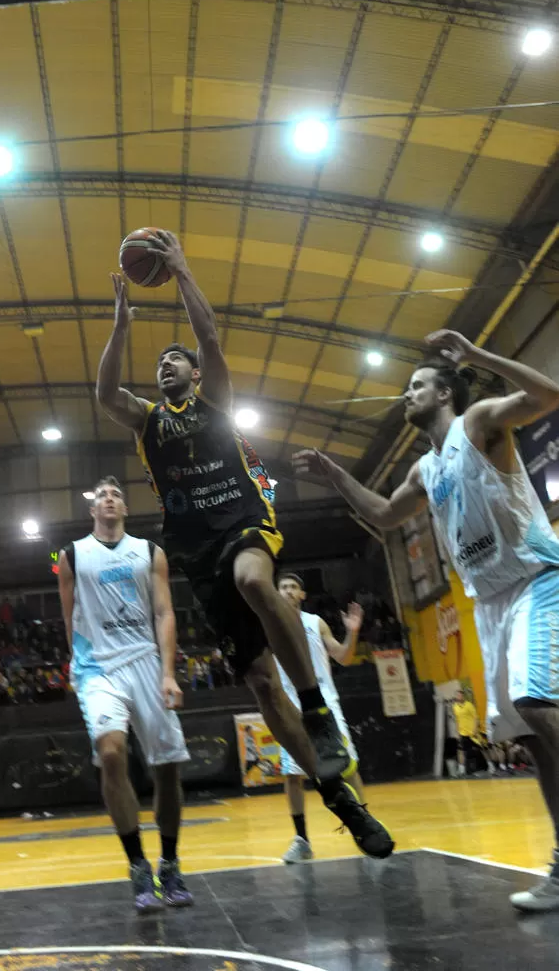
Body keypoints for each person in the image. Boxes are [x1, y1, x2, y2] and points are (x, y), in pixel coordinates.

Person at [96, 231, 392, 857]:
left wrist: (180, 271)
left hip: (241, 519)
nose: (165, 366)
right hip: (195, 549)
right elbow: (103, 396)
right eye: (160, 364)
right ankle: (341, 800)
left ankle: (316, 708)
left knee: (257, 580)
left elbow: (209, 337)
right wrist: (122, 324)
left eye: (173, 362)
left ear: (195, 374)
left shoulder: (213, 402)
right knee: (259, 684)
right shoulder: (150, 421)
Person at [293, 328, 559, 910]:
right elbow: (386, 516)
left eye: (416, 387)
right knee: (533, 740)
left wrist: (477, 356)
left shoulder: (480, 422)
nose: (404, 396)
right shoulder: (424, 469)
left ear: (445, 394)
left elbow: (547, 396)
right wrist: (335, 474)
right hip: (490, 602)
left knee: (538, 704)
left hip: (539, 579)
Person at [58, 476, 194, 913]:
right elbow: (69, 615)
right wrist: (76, 664)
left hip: (147, 663)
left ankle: (169, 863)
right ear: (92, 510)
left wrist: (169, 673)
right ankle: (138, 866)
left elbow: (164, 611)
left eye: (116, 494)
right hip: (98, 667)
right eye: (102, 496)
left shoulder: (150, 552)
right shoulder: (72, 555)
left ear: (126, 508)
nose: (110, 499)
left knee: (167, 770)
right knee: (112, 753)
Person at [274, 573, 369, 863]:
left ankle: (365, 827)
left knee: (348, 766)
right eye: (283, 587)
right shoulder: (269, 626)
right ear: (276, 594)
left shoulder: (315, 622)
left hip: (324, 701)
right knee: (292, 775)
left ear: (302, 595)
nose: (289, 591)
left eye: (294, 587)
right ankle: (302, 839)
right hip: (290, 705)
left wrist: (352, 632)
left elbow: (343, 657)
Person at [451, 689, 491, 777]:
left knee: (482, 749)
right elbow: (456, 720)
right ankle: (461, 770)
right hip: (462, 733)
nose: (459, 697)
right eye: (457, 695)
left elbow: (476, 718)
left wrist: (475, 729)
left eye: (460, 695)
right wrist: (457, 732)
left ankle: (491, 766)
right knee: (461, 751)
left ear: (463, 696)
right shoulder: (455, 707)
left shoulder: (469, 705)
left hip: (473, 732)